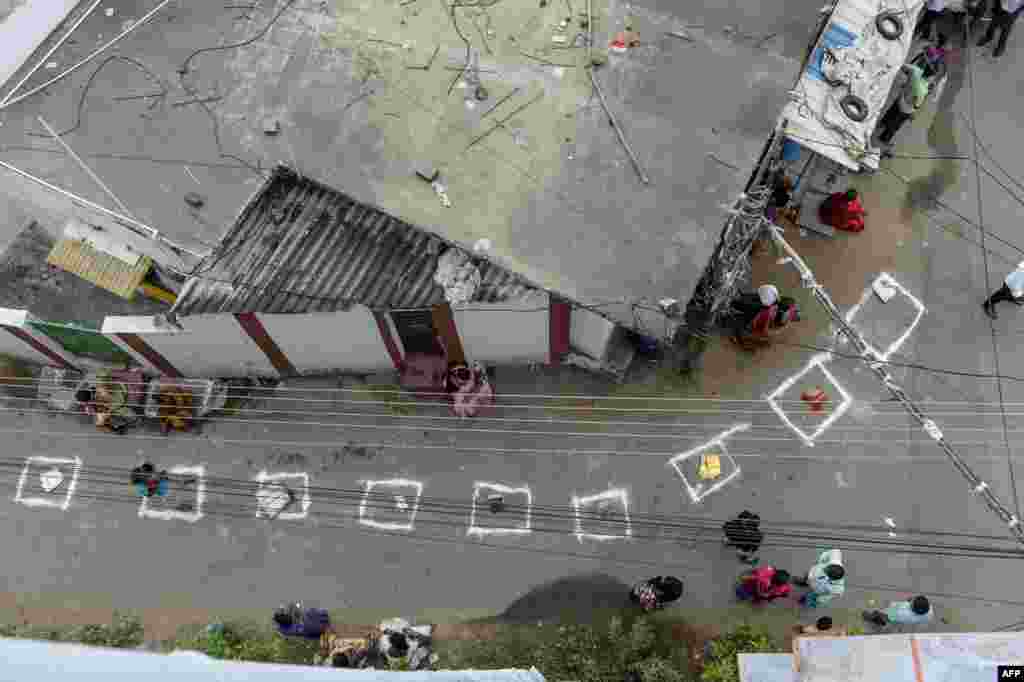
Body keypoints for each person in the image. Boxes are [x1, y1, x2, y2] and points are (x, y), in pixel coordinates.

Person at [876, 64, 928, 146]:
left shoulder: (915, 71)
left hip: (900, 99)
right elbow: (916, 104)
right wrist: (913, 113)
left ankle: (881, 124)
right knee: (895, 125)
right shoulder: (924, 89)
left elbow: (903, 66)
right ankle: (884, 139)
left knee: (890, 113)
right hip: (906, 109)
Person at [863, 595, 934, 628]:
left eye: (913, 601)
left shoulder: (901, 613)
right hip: (912, 620)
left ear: (912, 607)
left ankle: (872, 619)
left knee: (880, 617)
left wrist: (878, 612)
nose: (912, 599)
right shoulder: (929, 611)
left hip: (894, 615)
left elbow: (887, 616)